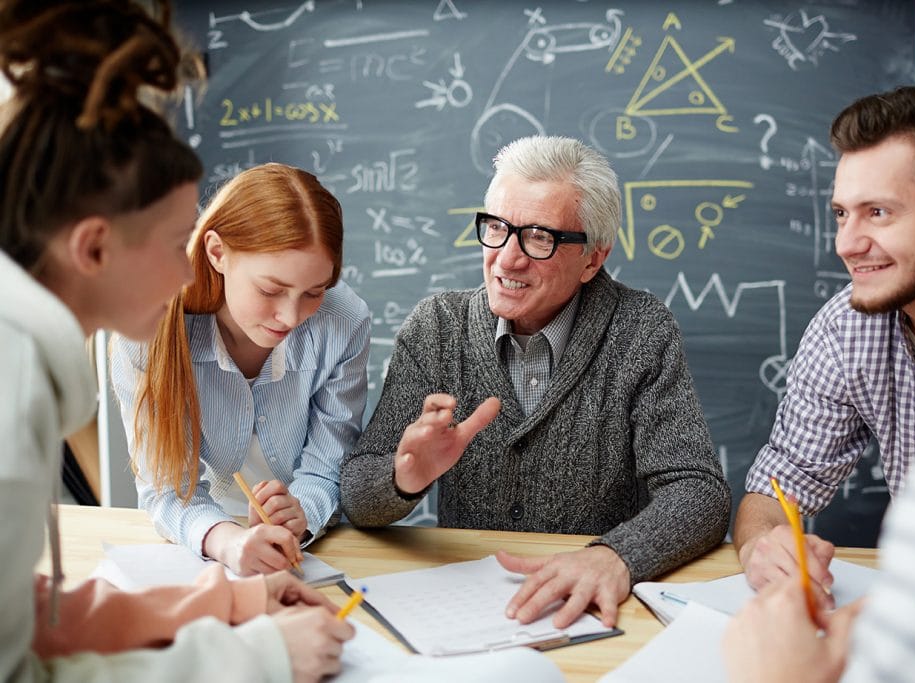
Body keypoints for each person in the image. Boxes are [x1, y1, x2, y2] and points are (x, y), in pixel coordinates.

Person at [0, 2, 351, 681]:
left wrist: (224, 600)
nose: (189, 272)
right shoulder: (10, 399)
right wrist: (258, 657)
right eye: (174, 244)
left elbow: (27, 614)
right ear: (94, 247)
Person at [724, 2, 915, 680]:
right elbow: (775, 486)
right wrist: (767, 546)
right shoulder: (845, 328)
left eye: (879, 213)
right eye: (840, 213)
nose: (846, 243)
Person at [340, 135, 730, 629]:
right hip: (464, 610)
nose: (506, 259)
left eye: (539, 238)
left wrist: (616, 557)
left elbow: (699, 492)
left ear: (593, 257)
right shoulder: (436, 328)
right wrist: (403, 477)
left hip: (587, 607)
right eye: (497, 228)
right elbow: (357, 493)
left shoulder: (640, 331)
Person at [110, 163, 371, 577]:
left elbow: (327, 466)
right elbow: (166, 489)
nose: (289, 316)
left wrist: (299, 513)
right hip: (200, 544)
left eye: (314, 292)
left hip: (310, 544)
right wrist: (227, 542)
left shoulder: (345, 321)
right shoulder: (148, 329)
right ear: (217, 253)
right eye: (270, 290)